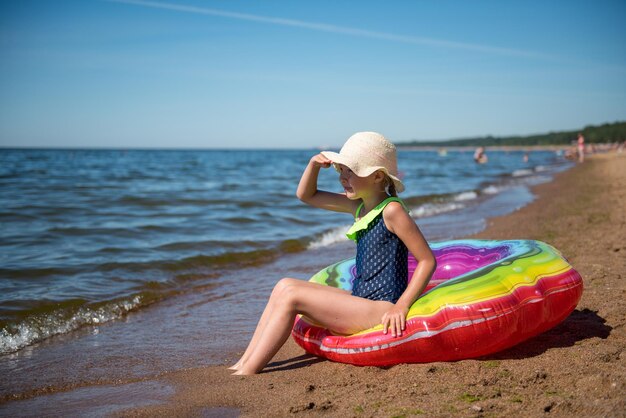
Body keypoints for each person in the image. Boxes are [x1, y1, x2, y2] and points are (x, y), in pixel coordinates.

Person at [229, 132, 436, 375]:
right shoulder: (357, 205)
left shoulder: (391, 211)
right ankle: (242, 363)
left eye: (350, 171)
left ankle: (248, 373)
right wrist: (313, 165)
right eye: (340, 170)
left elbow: (427, 260)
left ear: (378, 175)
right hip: (361, 300)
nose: (342, 178)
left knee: (292, 296)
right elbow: (307, 195)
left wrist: (400, 307)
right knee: (283, 285)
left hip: (380, 307)